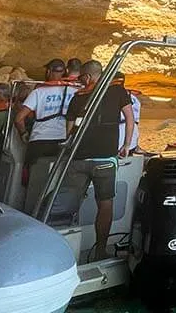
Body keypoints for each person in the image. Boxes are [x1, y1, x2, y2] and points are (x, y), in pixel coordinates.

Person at [62, 60, 136, 260]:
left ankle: (67, 250)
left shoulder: (78, 97)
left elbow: (69, 131)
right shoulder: (118, 92)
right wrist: (127, 145)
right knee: (105, 204)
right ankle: (101, 250)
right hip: (105, 158)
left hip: (78, 159)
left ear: (87, 77)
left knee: (71, 203)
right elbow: (130, 118)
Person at [16, 58, 79, 175]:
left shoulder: (39, 92)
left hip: (40, 140)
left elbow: (19, 119)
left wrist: (24, 134)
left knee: (32, 177)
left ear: (49, 72)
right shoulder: (75, 91)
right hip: (64, 141)